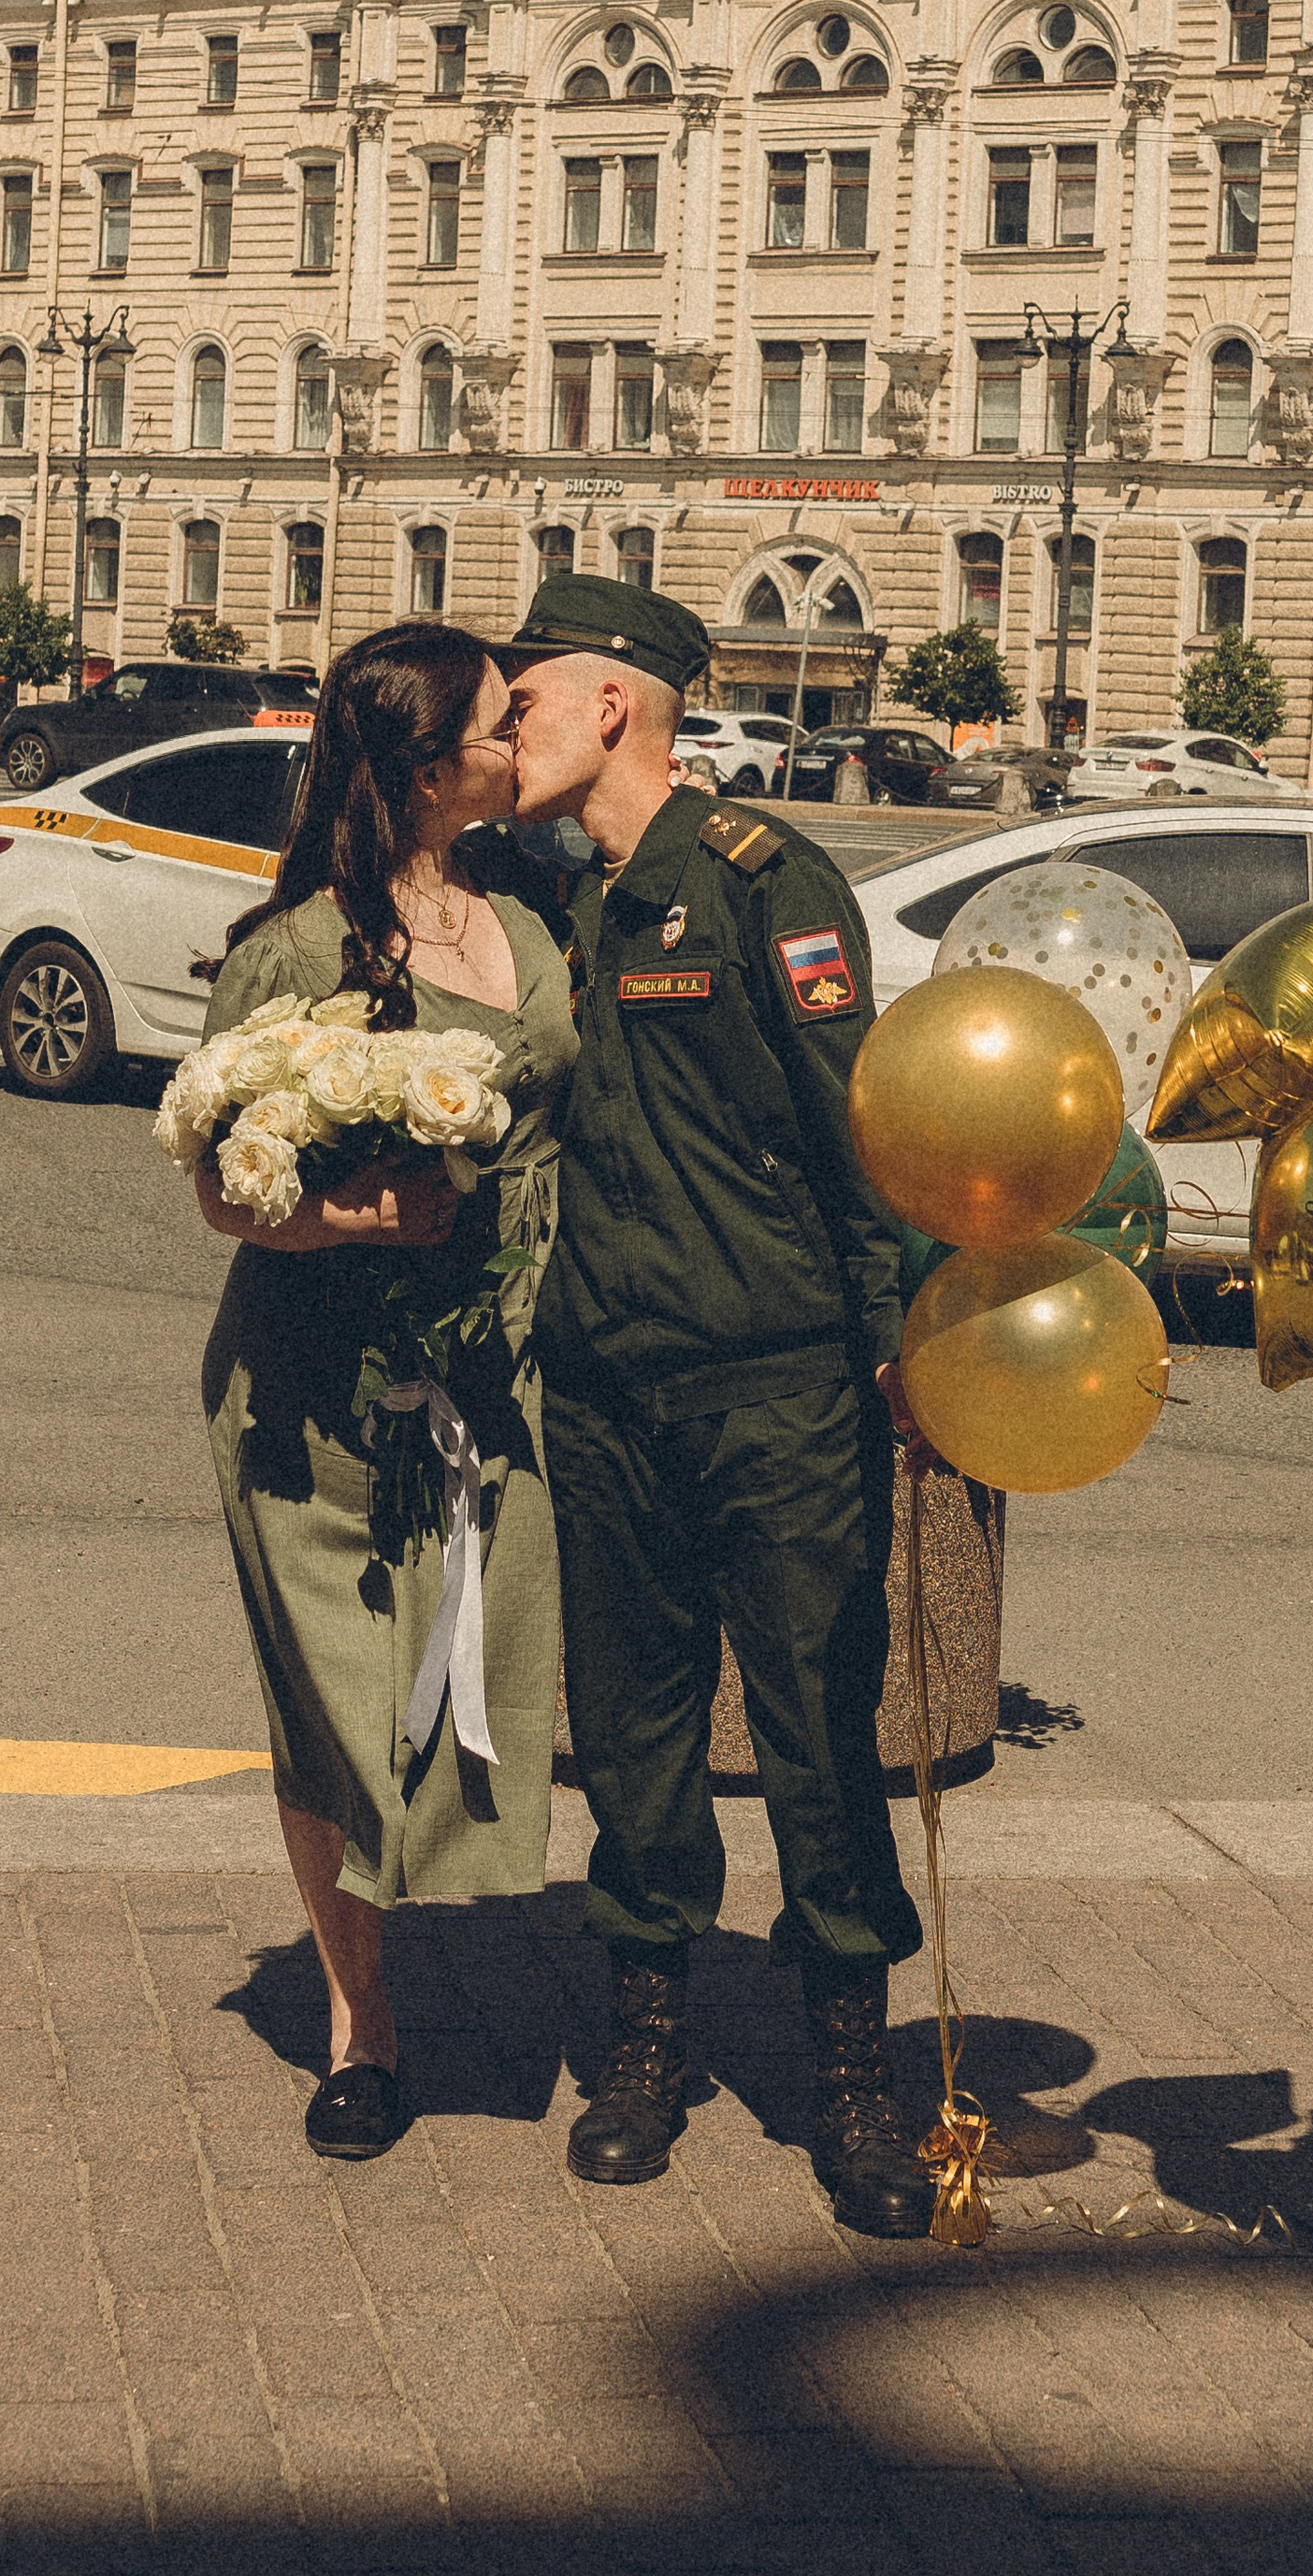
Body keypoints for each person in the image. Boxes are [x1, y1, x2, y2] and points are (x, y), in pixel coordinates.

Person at [500, 572, 931, 2241]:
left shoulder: (765, 883)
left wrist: (900, 1349)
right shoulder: (562, 894)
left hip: (777, 1391)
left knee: (823, 1733)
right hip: (605, 1386)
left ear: (612, 705)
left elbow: (866, 1134)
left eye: (528, 697)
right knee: (632, 1738)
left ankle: (852, 2082)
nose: (508, 726)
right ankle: (647, 2052)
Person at [195, 621, 577, 2163]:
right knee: (335, 1706)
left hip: (500, 1368)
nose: (519, 748)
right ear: (429, 771)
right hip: (319, 1392)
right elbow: (222, 1179)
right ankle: (363, 2025)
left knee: (484, 1682)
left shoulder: (533, 904)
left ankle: (451, 1910)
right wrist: (348, 1217)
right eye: (500, 729)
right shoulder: (296, 948)